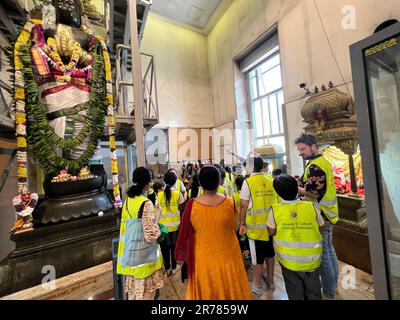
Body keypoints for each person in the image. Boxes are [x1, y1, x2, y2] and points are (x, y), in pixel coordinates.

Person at [175, 166, 252, 300]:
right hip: (229, 256)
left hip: (203, 258)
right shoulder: (230, 202)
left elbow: (187, 233)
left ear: (200, 183)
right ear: (219, 181)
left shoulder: (192, 206)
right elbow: (234, 227)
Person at [295, 133, 339, 299]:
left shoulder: (315, 166)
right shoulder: (321, 162)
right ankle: (333, 286)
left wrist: (296, 187)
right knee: (329, 250)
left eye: (303, 149)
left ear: (313, 146)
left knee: (323, 255)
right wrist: (303, 181)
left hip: (321, 215)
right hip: (328, 213)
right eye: (299, 150)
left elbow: (312, 193)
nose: (301, 152)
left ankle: (328, 291)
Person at [267, 174, 325, 300]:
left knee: (295, 292)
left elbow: (271, 231)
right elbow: (321, 226)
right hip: (312, 259)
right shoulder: (310, 206)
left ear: (277, 193)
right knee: (314, 291)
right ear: (297, 188)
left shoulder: (275, 210)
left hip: (289, 261)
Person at [117, 167, 166, 300]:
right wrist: (158, 217)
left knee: (134, 295)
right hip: (145, 258)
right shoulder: (146, 203)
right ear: (147, 183)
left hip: (131, 254)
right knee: (147, 295)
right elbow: (151, 235)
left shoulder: (128, 200)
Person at [239, 157, 279, 294]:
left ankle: (256, 285)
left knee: (257, 257)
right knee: (270, 252)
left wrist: (242, 223)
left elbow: (244, 204)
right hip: (270, 226)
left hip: (255, 227)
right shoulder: (271, 179)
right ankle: (270, 279)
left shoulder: (248, 182)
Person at [158, 171, 185, 275]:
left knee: (164, 249)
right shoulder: (178, 194)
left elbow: (157, 210)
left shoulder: (159, 194)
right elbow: (182, 209)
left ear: (164, 181)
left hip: (163, 228)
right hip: (175, 227)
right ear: (175, 182)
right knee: (174, 248)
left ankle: (167, 267)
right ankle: (174, 268)